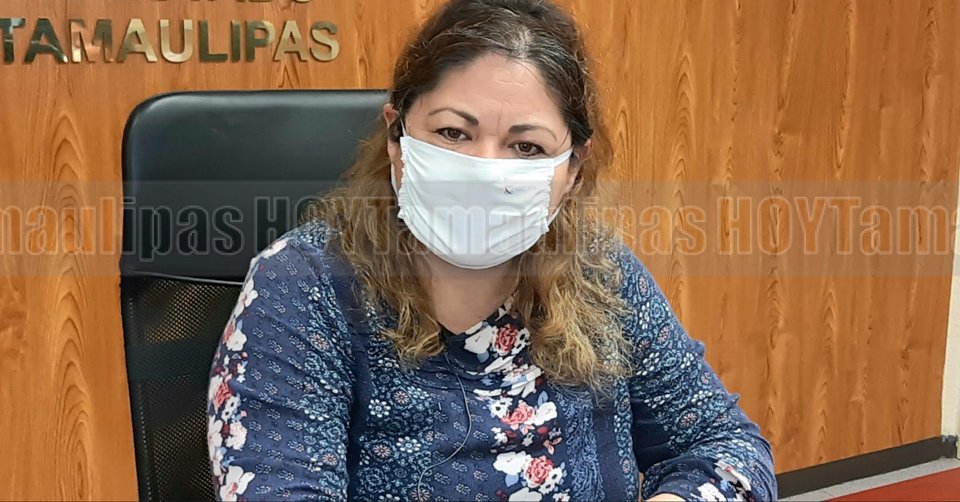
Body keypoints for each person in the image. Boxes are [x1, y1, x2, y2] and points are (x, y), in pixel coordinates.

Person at [206, 0, 777, 500]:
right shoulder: (303, 286)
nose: (485, 169)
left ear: (572, 170)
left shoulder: (599, 272)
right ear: (397, 138)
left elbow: (727, 446)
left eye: (526, 147)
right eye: (453, 133)